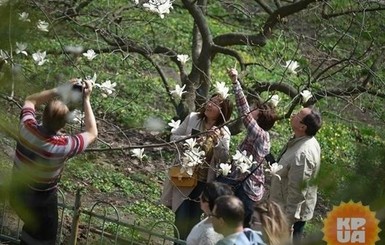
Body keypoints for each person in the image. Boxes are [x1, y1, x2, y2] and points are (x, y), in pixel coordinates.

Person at [9, 79, 98, 245]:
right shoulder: (62, 146)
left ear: (42, 115)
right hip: (41, 207)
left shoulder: (26, 127)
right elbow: (92, 132)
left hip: (17, 195)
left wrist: (59, 89)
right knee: (42, 239)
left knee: (29, 234)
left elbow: (30, 100)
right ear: (64, 124)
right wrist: (86, 100)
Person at [160, 93, 233, 241]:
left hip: (203, 184)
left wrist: (218, 142)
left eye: (215, 104)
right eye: (210, 101)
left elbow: (224, 159)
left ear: (222, 112)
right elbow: (172, 138)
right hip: (185, 177)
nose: (209, 105)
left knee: (193, 221)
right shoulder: (193, 118)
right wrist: (190, 140)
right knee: (180, 219)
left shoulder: (224, 132)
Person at [226, 68, 278, 227]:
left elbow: (244, 112)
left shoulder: (260, 135)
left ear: (260, 118)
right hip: (241, 187)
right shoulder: (255, 135)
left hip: (246, 192)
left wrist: (236, 83)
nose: (251, 111)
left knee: (237, 229)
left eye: (254, 110)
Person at [269, 107, 322, 244]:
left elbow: (297, 192)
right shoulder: (300, 140)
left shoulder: (303, 154)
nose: (293, 115)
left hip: (289, 215)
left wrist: (287, 222)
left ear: (302, 126)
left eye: (298, 115)